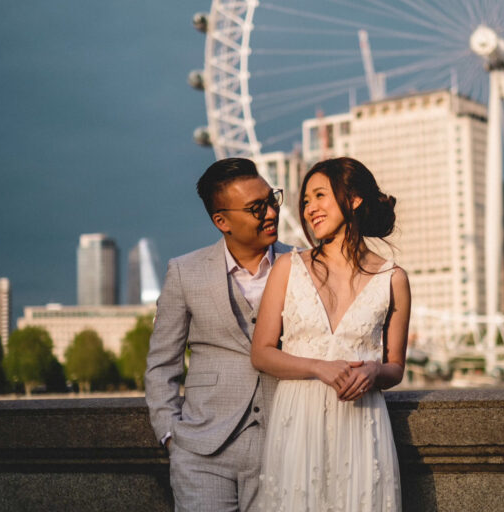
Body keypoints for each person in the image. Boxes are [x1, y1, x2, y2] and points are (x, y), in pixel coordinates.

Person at [251, 157, 410, 511]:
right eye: (305, 201)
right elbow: (261, 352)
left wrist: (373, 371)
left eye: (319, 196)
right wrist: (318, 367)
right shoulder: (287, 268)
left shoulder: (393, 279)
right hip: (298, 423)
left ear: (353, 199)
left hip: (361, 424)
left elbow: (395, 366)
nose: (309, 209)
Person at [145, 157, 292, 511]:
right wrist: (170, 435)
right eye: (256, 208)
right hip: (202, 452)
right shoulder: (184, 272)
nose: (271, 213)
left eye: (272, 199)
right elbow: (162, 364)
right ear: (221, 221)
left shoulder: (303, 264)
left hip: (284, 446)